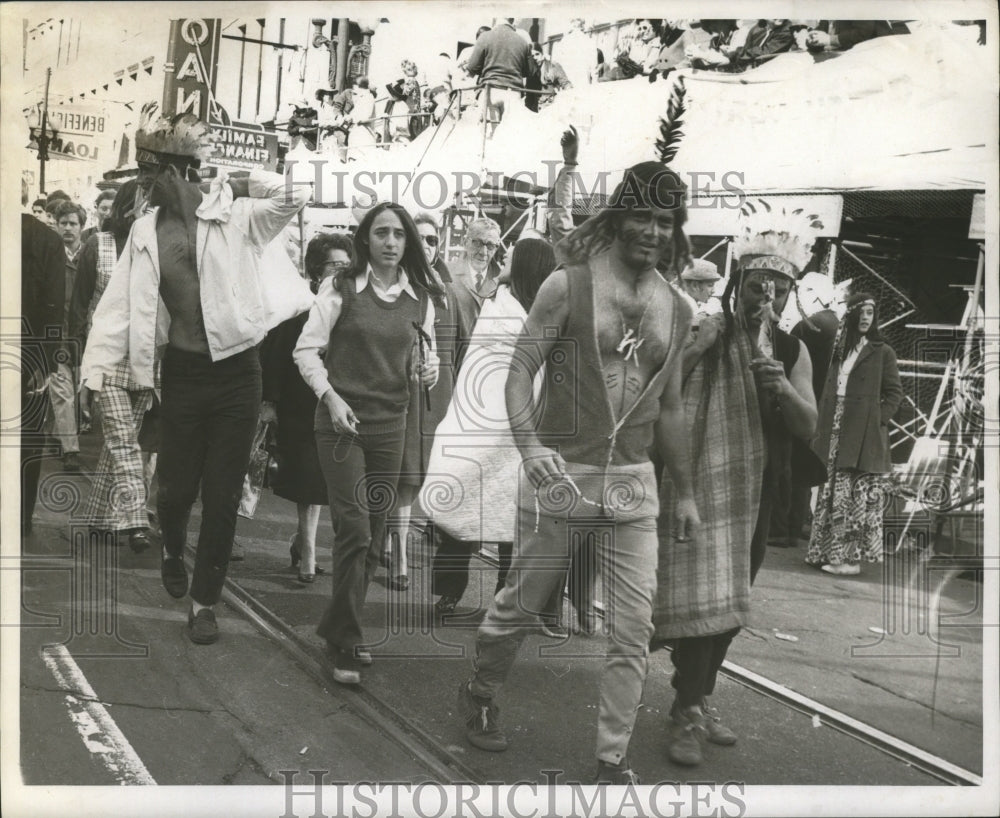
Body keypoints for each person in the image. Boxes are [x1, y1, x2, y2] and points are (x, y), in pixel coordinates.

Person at [458, 160, 699, 785]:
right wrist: (532, 448)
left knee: (633, 627)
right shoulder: (568, 285)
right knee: (519, 606)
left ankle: (610, 758)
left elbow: (670, 407)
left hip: (633, 483)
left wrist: (688, 493)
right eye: (642, 215)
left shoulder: (678, 306)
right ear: (618, 215)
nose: (652, 230)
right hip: (562, 473)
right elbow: (516, 374)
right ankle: (482, 690)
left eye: (665, 221)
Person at [80, 102, 311, 645]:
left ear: (181, 173)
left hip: (239, 373)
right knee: (177, 489)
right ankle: (169, 545)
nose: (146, 184)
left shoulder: (237, 217)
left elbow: (294, 194)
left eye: (154, 173)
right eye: (144, 174)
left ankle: (204, 604)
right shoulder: (142, 232)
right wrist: (94, 373)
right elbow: (115, 311)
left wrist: (234, 176)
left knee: (224, 493)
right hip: (182, 372)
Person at [653, 202, 819, 768]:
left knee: (731, 607)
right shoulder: (712, 329)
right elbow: (665, 388)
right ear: (740, 282)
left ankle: (697, 699)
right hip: (704, 486)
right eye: (756, 284)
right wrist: (698, 345)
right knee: (706, 598)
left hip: (760, 494)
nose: (763, 295)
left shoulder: (792, 349)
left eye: (776, 286)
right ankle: (684, 710)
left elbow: (809, 425)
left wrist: (782, 388)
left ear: (787, 292)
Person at [293, 202, 443, 685]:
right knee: (354, 529)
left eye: (399, 235)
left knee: (376, 535)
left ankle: (341, 631)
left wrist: (431, 368)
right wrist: (330, 398)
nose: (391, 242)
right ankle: (348, 638)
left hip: (390, 426)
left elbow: (427, 355)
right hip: (341, 425)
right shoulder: (339, 290)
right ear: (366, 239)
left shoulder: (421, 297)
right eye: (381, 233)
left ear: (409, 244)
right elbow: (305, 350)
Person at [427, 238, 559, 619]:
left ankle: (497, 598)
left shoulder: (533, 308)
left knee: (510, 522)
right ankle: (456, 592)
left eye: (510, 259)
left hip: (516, 432)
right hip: (488, 426)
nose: (502, 261)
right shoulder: (499, 306)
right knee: (472, 510)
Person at [260, 233, 351, 582]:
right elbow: (276, 356)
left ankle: (302, 542)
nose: (341, 271)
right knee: (308, 478)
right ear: (316, 270)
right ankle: (309, 552)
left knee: (325, 480)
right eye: (334, 265)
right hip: (300, 404)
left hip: (337, 403)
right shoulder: (300, 305)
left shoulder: (349, 306)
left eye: (347, 265)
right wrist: (269, 402)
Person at [72, 181, 158, 552]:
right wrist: (78, 366)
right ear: (127, 208)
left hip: (147, 361)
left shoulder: (159, 249)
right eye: (144, 205)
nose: (150, 212)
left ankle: (98, 518)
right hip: (106, 357)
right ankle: (136, 518)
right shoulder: (99, 245)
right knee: (123, 440)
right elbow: (79, 307)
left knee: (118, 443)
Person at [387, 212, 464, 592]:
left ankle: (392, 540)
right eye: (421, 239)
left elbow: (464, 348)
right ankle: (399, 556)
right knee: (403, 478)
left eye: (434, 240)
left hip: (440, 400)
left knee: (420, 480)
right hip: (399, 395)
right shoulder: (394, 287)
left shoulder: (450, 293)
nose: (428, 246)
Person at [806, 292, 903, 576]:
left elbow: (895, 394)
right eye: (860, 312)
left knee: (853, 497)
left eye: (870, 312)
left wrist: (876, 421)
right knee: (831, 493)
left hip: (862, 434)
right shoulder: (840, 347)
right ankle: (823, 552)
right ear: (848, 316)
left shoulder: (882, 350)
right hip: (836, 428)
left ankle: (847, 561)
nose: (864, 317)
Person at [21, 213, 67, 536]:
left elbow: (54, 307)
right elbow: (54, 307)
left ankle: (21, 516)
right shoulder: (47, 240)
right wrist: (45, 364)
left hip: (29, 358)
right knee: (27, 440)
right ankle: (21, 516)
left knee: (27, 438)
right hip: (28, 358)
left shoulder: (47, 241)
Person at [51, 200, 87, 472]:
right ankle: (71, 450)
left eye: (72, 223)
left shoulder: (89, 255)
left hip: (86, 334)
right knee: (64, 392)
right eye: (62, 223)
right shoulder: (51, 255)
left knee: (79, 390)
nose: (67, 228)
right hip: (58, 334)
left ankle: (58, 435)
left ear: (81, 227)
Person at [465, 18, 532, 126]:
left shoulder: (485, 37)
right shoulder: (523, 41)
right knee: (511, 135)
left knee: (488, 135)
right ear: (512, 20)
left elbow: (472, 68)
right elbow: (529, 72)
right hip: (514, 94)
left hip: (490, 92)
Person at [449, 217, 504, 334]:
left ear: (496, 248)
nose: (483, 252)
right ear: (465, 242)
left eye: (490, 246)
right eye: (478, 243)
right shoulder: (447, 275)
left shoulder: (502, 283)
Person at [806, 20, 910, 52]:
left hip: (877, 52)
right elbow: (822, 30)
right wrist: (812, 38)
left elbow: (863, 32)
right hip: (845, 56)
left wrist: (829, 40)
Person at [555, 18, 598, 88]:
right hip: (583, 80)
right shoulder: (589, 41)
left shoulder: (564, 41)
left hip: (567, 81)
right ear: (583, 25)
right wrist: (595, 83)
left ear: (572, 24)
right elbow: (594, 65)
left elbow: (558, 63)